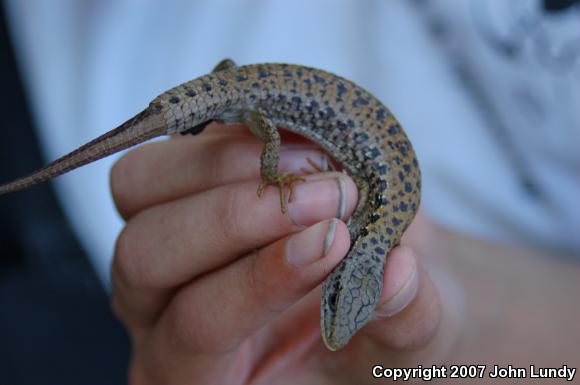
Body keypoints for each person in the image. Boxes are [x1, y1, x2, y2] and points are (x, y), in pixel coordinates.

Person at [4, 0, 579, 383]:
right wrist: (274, 174)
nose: (334, 323)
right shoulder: (373, 225)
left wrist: (454, 336)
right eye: (335, 303)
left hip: (124, 290)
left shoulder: (380, 230)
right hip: (51, 52)